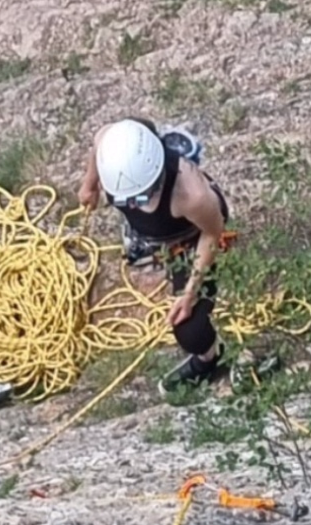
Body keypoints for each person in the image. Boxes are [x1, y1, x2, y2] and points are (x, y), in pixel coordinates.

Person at [80, 118, 228, 391]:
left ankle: (210, 357)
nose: (136, 204)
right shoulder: (110, 144)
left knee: (190, 332)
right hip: (159, 231)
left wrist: (189, 293)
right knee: (145, 220)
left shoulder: (192, 196)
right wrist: (90, 184)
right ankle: (146, 235)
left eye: (142, 196)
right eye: (128, 201)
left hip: (191, 237)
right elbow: (97, 145)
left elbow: (213, 234)